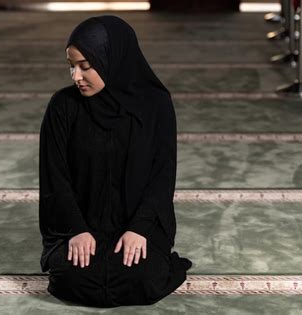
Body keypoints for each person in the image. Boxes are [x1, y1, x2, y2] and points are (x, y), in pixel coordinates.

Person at [38, 15, 192, 308]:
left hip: (137, 224)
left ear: (112, 58)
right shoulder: (63, 107)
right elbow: (55, 177)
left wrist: (139, 229)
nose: (76, 77)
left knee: (142, 279)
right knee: (73, 279)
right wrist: (77, 230)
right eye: (71, 66)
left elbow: (162, 174)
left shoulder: (155, 105)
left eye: (86, 66)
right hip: (80, 223)